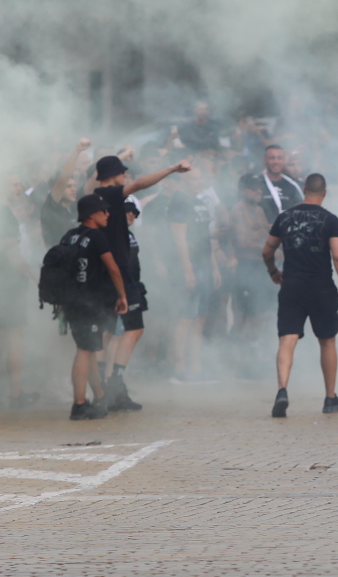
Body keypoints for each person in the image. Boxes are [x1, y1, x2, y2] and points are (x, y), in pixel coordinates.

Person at [92, 153, 192, 409]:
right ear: (112, 175)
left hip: (102, 273)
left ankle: (105, 386)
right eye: (122, 171)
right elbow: (139, 185)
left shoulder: (92, 195)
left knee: (108, 330)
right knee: (133, 327)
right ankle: (114, 380)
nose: (126, 175)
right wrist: (171, 168)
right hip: (118, 273)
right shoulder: (112, 194)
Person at [263, 173, 338, 417]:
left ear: (304, 191)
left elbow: (266, 251)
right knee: (327, 341)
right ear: (324, 193)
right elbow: (337, 255)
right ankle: (330, 398)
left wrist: (273, 271)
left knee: (287, 340)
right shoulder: (331, 220)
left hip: (291, 286)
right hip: (321, 287)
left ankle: (282, 390)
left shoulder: (284, 218)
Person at [57, 193, 128, 419]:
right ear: (91, 215)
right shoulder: (97, 236)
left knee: (89, 348)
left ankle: (98, 396)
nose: (108, 214)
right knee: (84, 350)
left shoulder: (69, 236)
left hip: (71, 301)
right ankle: (79, 404)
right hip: (89, 302)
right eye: (103, 211)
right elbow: (113, 268)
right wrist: (122, 296)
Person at [162, 154, 221, 384]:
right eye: (194, 180)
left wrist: (214, 266)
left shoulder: (199, 201)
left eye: (200, 179)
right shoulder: (179, 200)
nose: (199, 183)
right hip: (189, 266)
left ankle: (196, 368)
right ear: (184, 181)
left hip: (204, 264)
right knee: (184, 317)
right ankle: (179, 368)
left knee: (200, 318)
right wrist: (187, 271)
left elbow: (206, 237)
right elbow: (179, 239)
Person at [0, 174, 35, 408]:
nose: (20, 188)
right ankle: (16, 393)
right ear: (2, 187)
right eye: (15, 184)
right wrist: (33, 275)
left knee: (1, 337)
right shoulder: (2, 214)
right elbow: (11, 252)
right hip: (8, 284)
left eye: (20, 184)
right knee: (14, 337)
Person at [216, 171, 273, 370]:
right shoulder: (238, 210)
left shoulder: (258, 211)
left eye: (259, 188)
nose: (258, 191)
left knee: (260, 315)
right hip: (244, 269)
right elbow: (243, 241)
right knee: (242, 316)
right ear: (243, 191)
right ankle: (236, 362)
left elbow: (265, 237)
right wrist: (266, 246)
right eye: (253, 188)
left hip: (259, 269)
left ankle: (251, 360)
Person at [256, 145, 304, 218]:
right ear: (264, 160)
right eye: (272, 158)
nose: (276, 162)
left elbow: (301, 212)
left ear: (284, 161)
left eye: (280, 158)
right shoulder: (256, 184)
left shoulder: (293, 186)